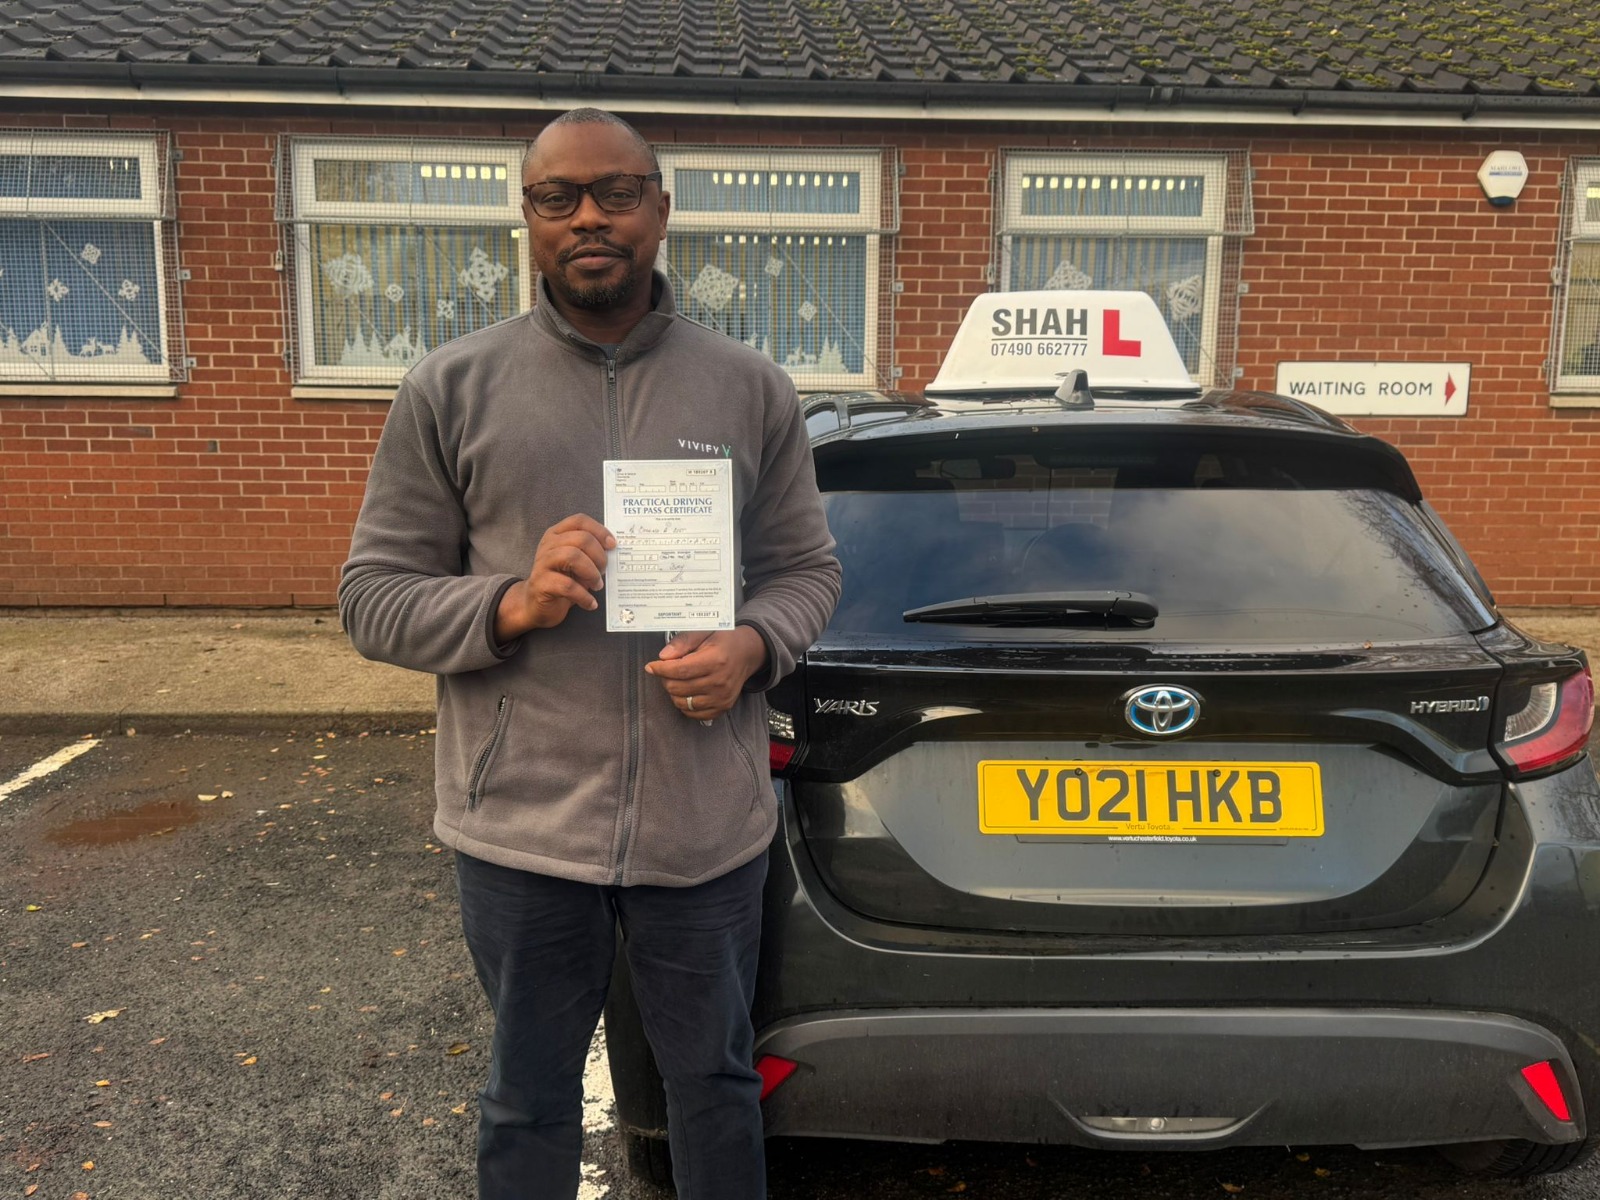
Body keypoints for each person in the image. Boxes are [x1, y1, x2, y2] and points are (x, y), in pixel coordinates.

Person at [338, 108, 841, 1200]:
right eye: (556, 197)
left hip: (703, 826)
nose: (587, 218)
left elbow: (811, 572)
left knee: (714, 1084)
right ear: (526, 218)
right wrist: (509, 603)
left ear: (660, 209)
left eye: (615, 192)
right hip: (521, 828)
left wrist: (754, 646)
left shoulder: (751, 388)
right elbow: (371, 599)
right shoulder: (450, 387)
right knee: (526, 1097)